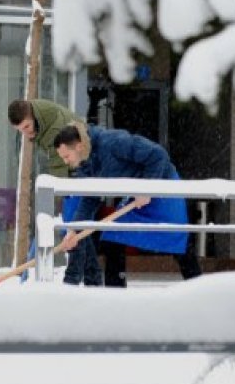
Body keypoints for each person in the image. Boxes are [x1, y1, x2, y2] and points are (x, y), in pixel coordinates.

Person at [53, 123, 202, 287]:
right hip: (135, 195)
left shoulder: (113, 142)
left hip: (163, 186)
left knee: (178, 241)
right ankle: (115, 295)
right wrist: (74, 230)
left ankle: (200, 291)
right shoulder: (85, 165)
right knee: (113, 238)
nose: (66, 162)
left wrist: (148, 189)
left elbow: (158, 155)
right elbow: (89, 198)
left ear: (79, 147)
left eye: (67, 156)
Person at [7, 99, 103, 286]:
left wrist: (57, 198)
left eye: (27, 126)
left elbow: (59, 163)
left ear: (32, 116)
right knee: (77, 226)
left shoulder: (53, 130)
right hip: (75, 168)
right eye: (21, 130)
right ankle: (94, 280)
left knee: (73, 224)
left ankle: (72, 281)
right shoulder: (37, 116)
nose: (25, 133)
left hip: (81, 167)